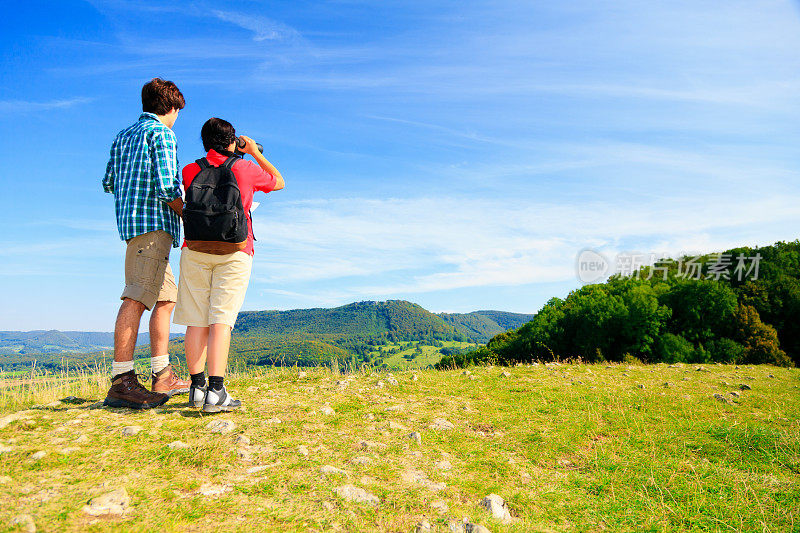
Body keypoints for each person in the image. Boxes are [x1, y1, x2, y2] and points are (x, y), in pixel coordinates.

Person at [173, 118, 284, 412]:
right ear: (232, 141)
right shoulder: (245, 168)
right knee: (220, 320)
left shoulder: (189, 169)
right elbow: (279, 181)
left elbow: (179, 198)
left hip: (195, 249)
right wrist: (255, 153)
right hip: (235, 250)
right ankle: (216, 391)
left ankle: (197, 389)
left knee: (196, 319)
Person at [101, 78, 192, 409]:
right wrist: (193, 216)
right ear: (171, 107)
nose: (176, 117)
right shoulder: (162, 134)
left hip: (133, 224)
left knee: (166, 298)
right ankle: (123, 381)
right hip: (154, 226)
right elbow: (168, 186)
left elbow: (109, 182)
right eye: (177, 111)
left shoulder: (122, 136)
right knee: (137, 295)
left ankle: (162, 374)